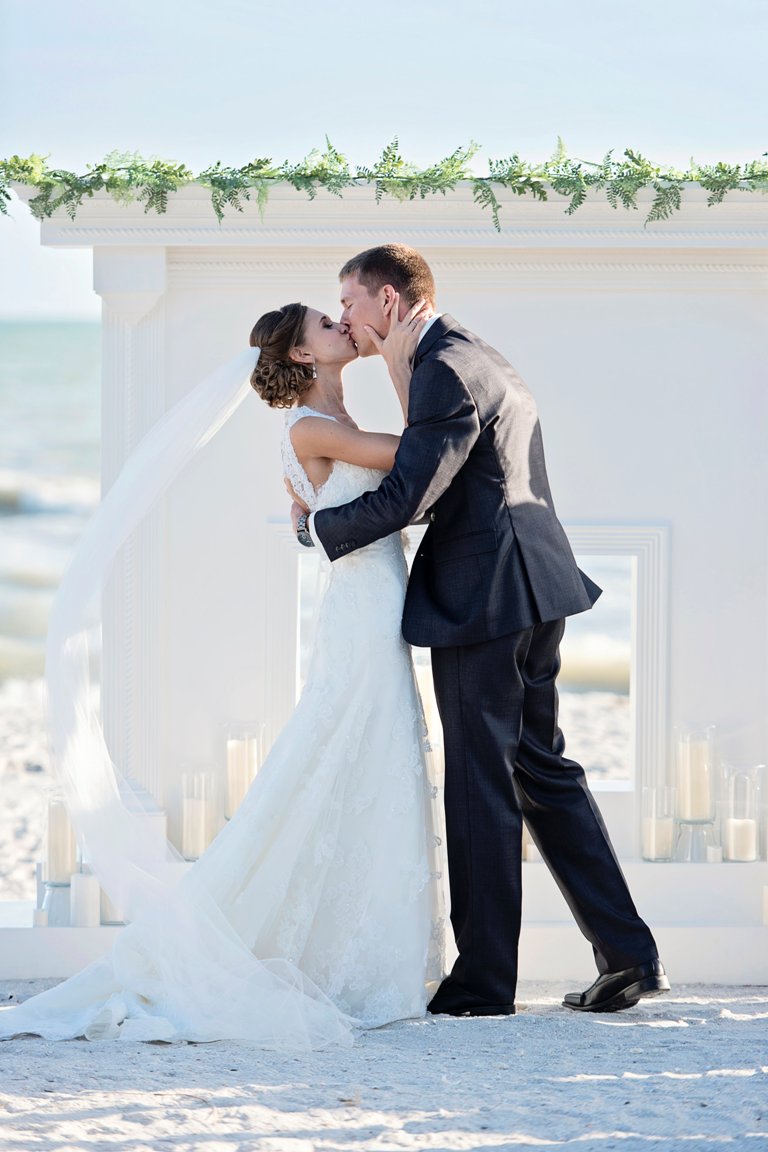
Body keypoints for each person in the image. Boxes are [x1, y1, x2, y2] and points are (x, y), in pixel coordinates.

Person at [0, 301, 445, 1047]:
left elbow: (346, 506)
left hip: (370, 611)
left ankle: (366, 950)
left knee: (366, 764)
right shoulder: (310, 427)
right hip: (362, 617)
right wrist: (401, 362)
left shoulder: (323, 423)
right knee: (348, 760)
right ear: (303, 358)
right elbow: (414, 456)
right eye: (326, 326)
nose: (342, 326)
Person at [292, 243, 669, 1016]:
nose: (346, 319)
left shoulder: (443, 368)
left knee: (479, 784)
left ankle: (485, 981)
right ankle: (628, 956)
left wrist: (317, 529)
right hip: (529, 585)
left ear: (390, 300)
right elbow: (450, 478)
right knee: (540, 770)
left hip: (487, 597)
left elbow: (409, 493)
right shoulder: (464, 354)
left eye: (352, 303)